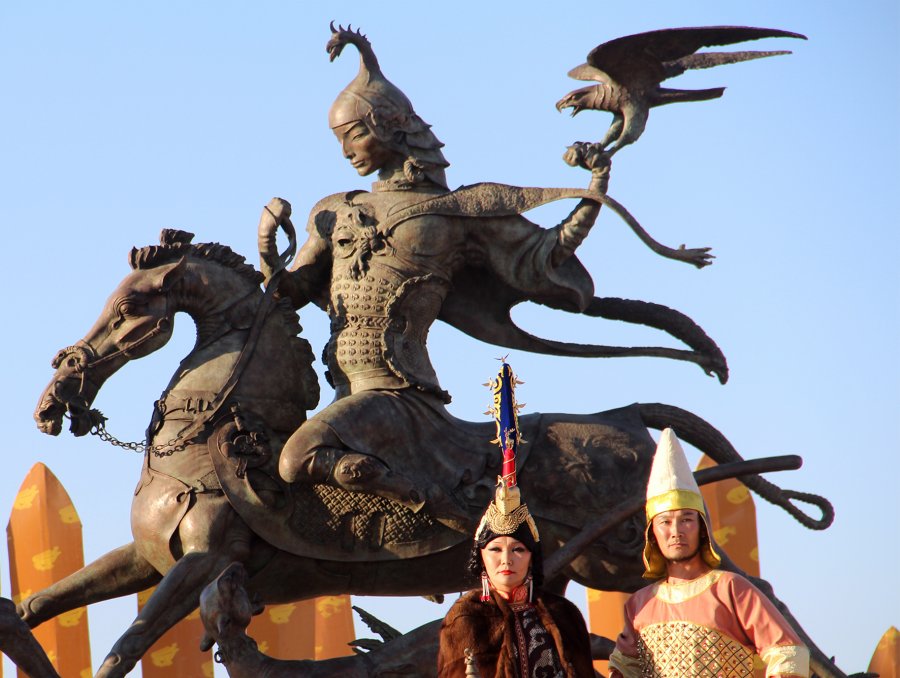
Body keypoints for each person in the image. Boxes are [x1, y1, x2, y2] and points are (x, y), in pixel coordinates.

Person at [257, 25, 609, 518]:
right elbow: (288, 294)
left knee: (295, 461)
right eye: (339, 140)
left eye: (354, 135)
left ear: (390, 125)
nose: (346, 151)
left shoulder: (451, 213)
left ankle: (435, 506)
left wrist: (597, 184)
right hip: (342, 395)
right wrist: (267, 246)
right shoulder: (333, 209)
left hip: (398, 392)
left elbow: (544, 253)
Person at [607, 428, 810, 678]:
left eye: (686, 520)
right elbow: (624, 669)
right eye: (665, 522)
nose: (676, 531)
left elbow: (788, 652)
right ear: (652, 533)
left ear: (702, 528)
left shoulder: (731, 589)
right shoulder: (638, 604)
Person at [436, 364, 594, 677]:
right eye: (495, 549)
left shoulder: (564, 614)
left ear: (532, 556)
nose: (506, 559)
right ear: (481, 556)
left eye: (518, 549)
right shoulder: (464, 618)